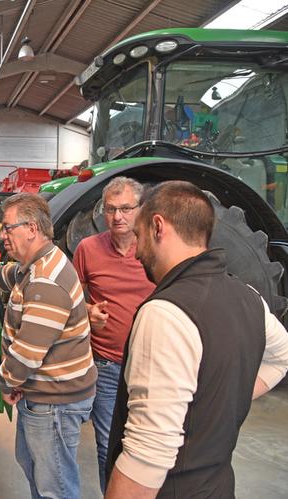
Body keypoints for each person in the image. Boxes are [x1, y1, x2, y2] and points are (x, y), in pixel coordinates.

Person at [105, 181, 288, 499]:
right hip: (218, 488)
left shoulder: (165, 312)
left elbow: (147, 456)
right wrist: (223, 401)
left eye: (138, 235)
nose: (135, 251)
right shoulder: (250, 298)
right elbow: (281, 357)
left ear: (158, 226)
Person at [0, 192, 96, 499]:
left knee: (54, 486)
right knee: (35, 468)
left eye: (8, 227)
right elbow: (12, 275)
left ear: (32, 228)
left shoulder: (46, 279)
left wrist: (6, 382)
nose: (2, 235)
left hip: (54, 401)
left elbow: (27, 353)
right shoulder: (36, 262)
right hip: (43, 395)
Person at [71, 177, 155, 493]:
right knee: (108, 445)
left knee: (152, 445)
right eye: (110, 209)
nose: (117, 217)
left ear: (141, 209)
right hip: (106, 366)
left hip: (151, 365)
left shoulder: (155, 247)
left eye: (125, 208)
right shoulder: (88, 249)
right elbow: (74, 296)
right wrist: (87, 312)